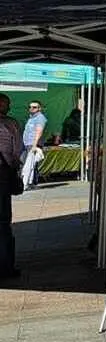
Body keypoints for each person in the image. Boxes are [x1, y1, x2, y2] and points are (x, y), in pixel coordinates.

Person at [0, 95, 21, 279]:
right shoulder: (10, 124)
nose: (9, 106)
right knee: (3, 221)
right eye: (7, 103)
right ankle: (6, 265)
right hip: (3, 175)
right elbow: (16, 151)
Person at [19, 100, 46, 191]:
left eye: (34, 107)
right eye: (30, 107)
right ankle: (27, 183)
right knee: (26, 163)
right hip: (27, 144)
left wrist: (35, 145)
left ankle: (32, 183)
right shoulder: (31, 118)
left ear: (39, 108)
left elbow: (39, 131)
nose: (31, 109)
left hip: (33, 144)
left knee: (31, 164)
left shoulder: (40, 118)